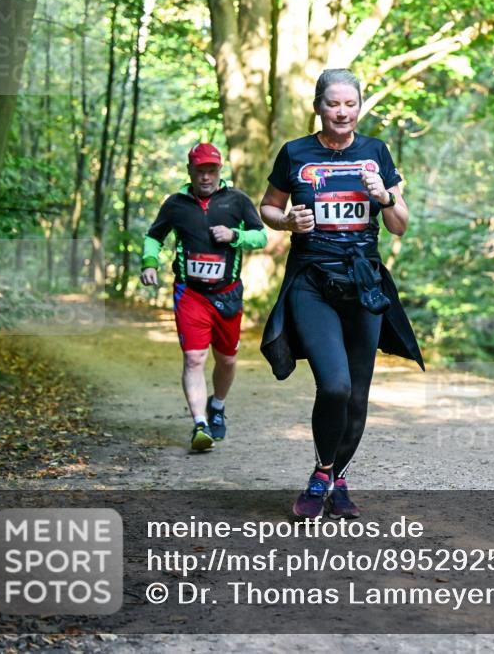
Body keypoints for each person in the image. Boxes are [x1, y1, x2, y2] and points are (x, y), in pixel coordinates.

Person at [259, 69, 424, 519]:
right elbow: (268, 206)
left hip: (364, 286)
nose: (342, 112)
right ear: (319, 106)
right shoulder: (295, 153)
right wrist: (286, 222)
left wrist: (386, 197)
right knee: (334, 385)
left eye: (350, 104)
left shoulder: (376, 153)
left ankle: (332, 477)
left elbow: (400, 226)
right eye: (334, 103)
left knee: (357, 395)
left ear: (359, 108)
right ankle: (324, 474)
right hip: (312, 281)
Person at [140, 143, 267, 451]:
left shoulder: (237, 201)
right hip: (190, 293)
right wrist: (149, 263)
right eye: (201, 171)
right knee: (194, 357)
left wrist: (235, 236)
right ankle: (200, 424)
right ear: (190, 172)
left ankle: (218, 405)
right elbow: (154, 237)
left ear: (219, 172)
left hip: (227, 295)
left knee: (227, 359)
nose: (206, 177)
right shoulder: (176, 204)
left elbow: (261, 235)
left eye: (212, 171)